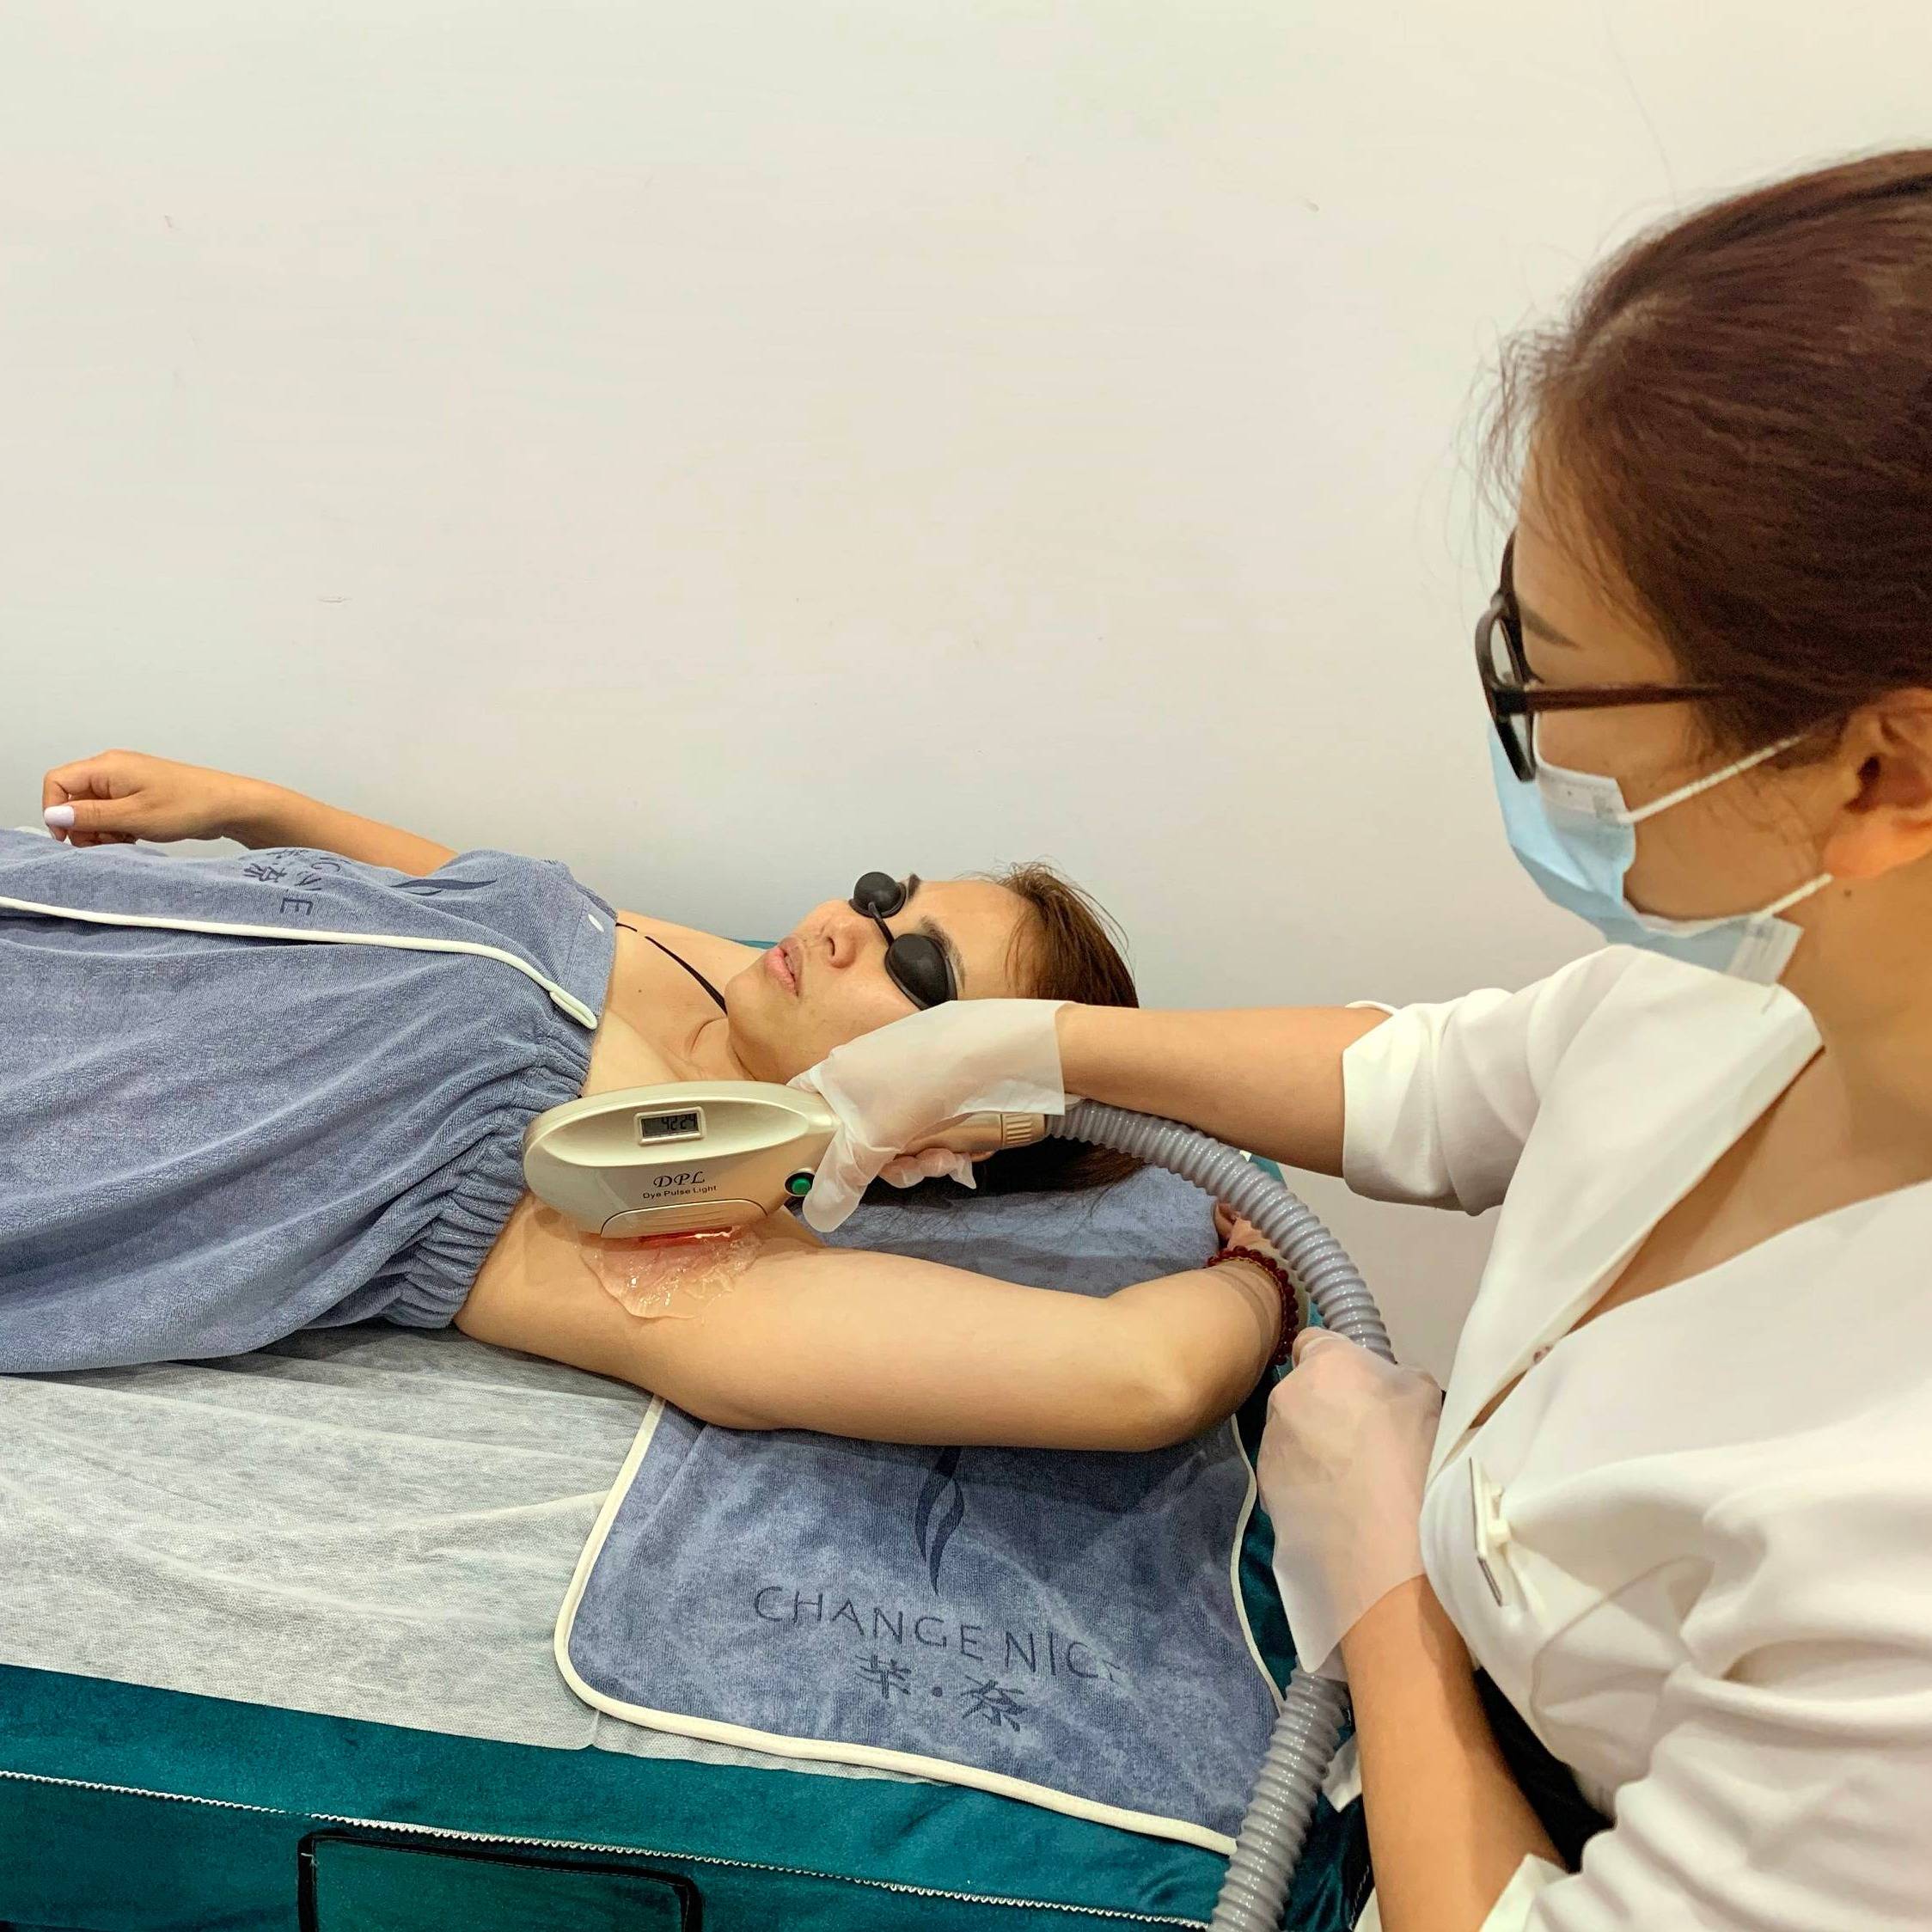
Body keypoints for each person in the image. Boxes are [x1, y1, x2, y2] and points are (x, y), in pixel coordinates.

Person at [780, 150, 1932, 1929]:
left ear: (1879, 773)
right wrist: (1036, 1045)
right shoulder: (1764, 968)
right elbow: (1447, 1083)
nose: (1526, 726)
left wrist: (1383, 1587)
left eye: (1546, 671)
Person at [5, 748, 1292, 1451]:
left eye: (916, 970)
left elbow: (1143, 1381)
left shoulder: (651, 1210)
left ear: (956, 1129)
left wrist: (1261, 1279)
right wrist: (256, 809)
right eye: (885, 896)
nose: (847, 925)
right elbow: (479, 905)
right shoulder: (715, 977)